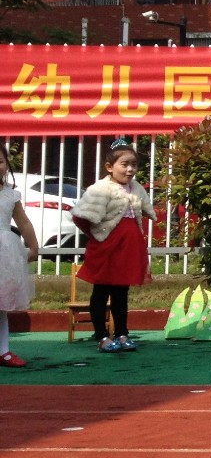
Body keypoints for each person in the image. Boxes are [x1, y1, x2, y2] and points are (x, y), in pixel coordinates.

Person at [71, 144, 155, 353]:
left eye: (134, 165)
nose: (130, 169)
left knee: (121, 291)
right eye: (124, 164)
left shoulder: (136, 188)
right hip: (107, 245)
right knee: (101, 290)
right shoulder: (100, 188)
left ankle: (122, 333)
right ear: (109, 166)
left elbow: (143, 210)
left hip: (129, 246)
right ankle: (102, 336)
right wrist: (98, 234)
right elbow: (81, 216)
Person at [0, 146, 42, 368]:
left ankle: (3, 351)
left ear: (6, 164)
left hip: (4, 253)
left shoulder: (11, 195)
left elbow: (23, 222)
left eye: (0, 161)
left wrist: (33, 245)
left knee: (2, 305)